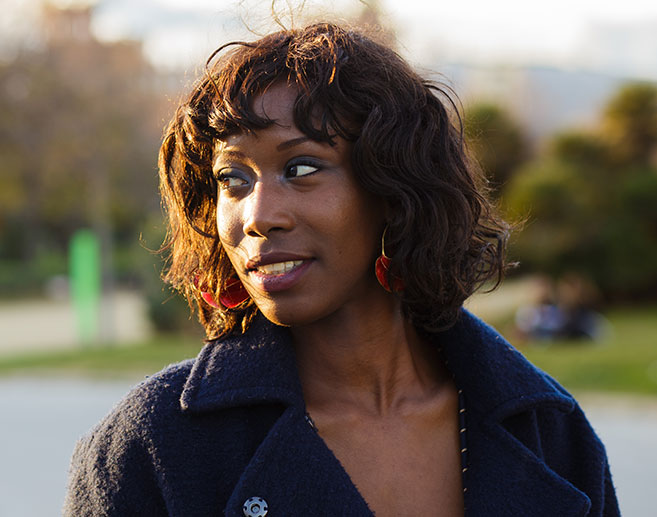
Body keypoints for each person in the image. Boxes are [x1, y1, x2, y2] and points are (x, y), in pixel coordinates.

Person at [64, 23, 619, 516]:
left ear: (395, 190)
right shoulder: (150, 448)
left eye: (302, 167)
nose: (258, 217)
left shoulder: (550, 432)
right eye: (233, 179)